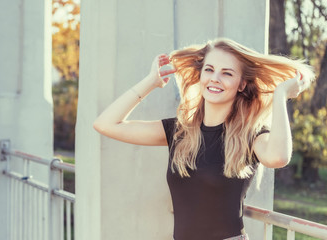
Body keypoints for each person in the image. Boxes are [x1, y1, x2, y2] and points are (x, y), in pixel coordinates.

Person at [93, 38, 315, 240]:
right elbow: (105, 124)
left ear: (241, 84)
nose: (215, 79)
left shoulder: (249, 135)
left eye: (227, 73)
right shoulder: (180, 131)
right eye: (209, 69)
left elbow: (278, 158)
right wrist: (152, 81)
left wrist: (280, 95)